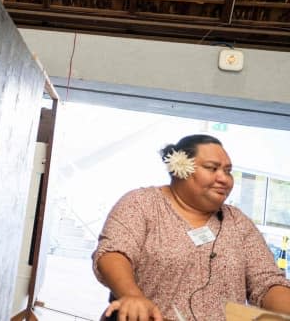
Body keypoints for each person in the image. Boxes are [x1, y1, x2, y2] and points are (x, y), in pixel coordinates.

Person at [93, 134, 290, 321]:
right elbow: (114, 253)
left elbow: (266, 282)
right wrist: (132, 296)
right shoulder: (142, 203)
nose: (224, 178)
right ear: (180, 169)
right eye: (212, 168)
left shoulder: (238, 222)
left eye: (228, 171)